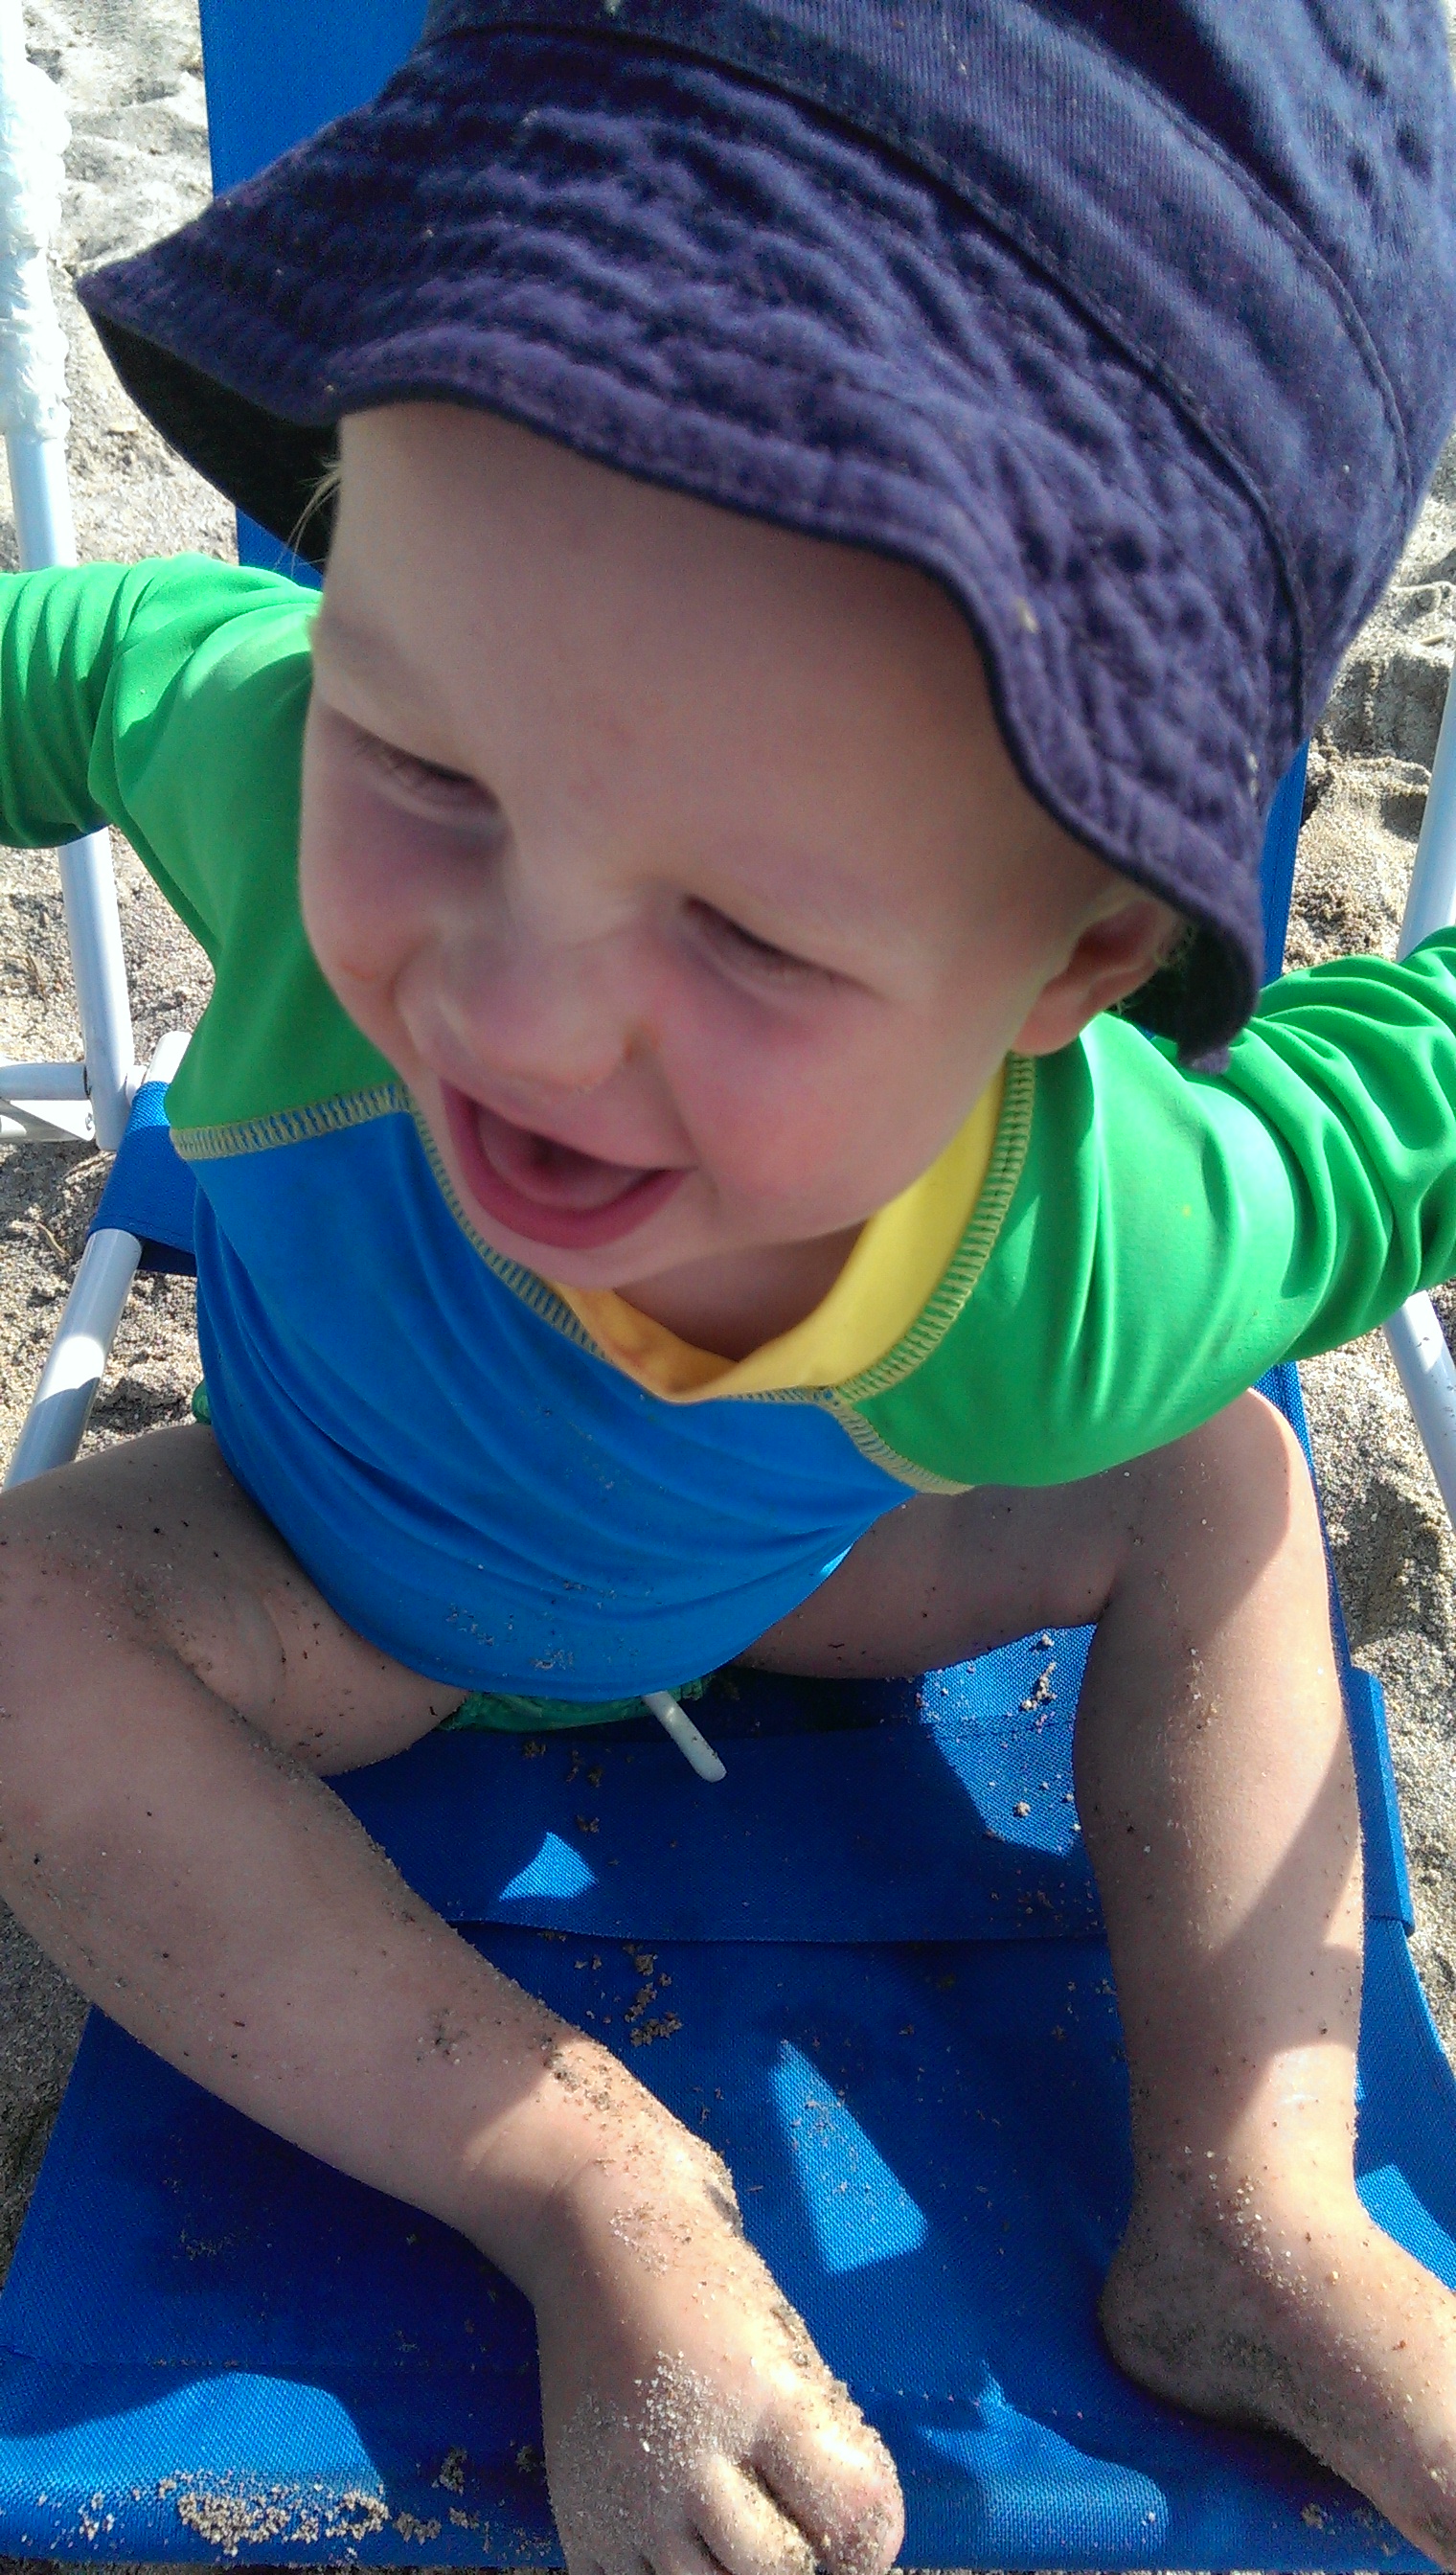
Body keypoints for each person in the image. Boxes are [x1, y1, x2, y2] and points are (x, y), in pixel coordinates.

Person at [3, 2, 1456, 2565]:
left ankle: (1256, 2203)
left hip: (811, 1571)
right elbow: (75, 674)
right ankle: (577, 2174)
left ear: (1071, 970)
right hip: (322, 1568)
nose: (522, 1010)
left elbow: (1376, 1129)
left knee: (1217, 1474)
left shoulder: (1073, 1257)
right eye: (426, 767)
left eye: (753, 932)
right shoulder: (260, 736)